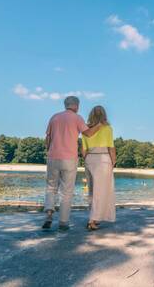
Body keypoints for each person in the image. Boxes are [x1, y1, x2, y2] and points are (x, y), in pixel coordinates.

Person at [42, 96, 102, 231]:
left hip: (53, 157)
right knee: (67, 191)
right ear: (76, 106)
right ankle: (63, 222)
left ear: (65, 105)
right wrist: (100, 125)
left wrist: (49, 151)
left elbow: (48, 138)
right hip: (69, 158)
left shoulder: (54, 117)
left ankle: (49, 214)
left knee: (51, 187)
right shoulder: (77, 118)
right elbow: (88, 134)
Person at [81, 106, 116, 231]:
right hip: (103, 158)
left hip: (90, 158)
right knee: (102, 191)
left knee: (92, 191)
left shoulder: (85, 130)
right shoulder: (108, 129)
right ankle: (92, 220)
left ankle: (94, 217)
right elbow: (111, 147)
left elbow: (83, 150)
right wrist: (113, 162)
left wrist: (86, 160)